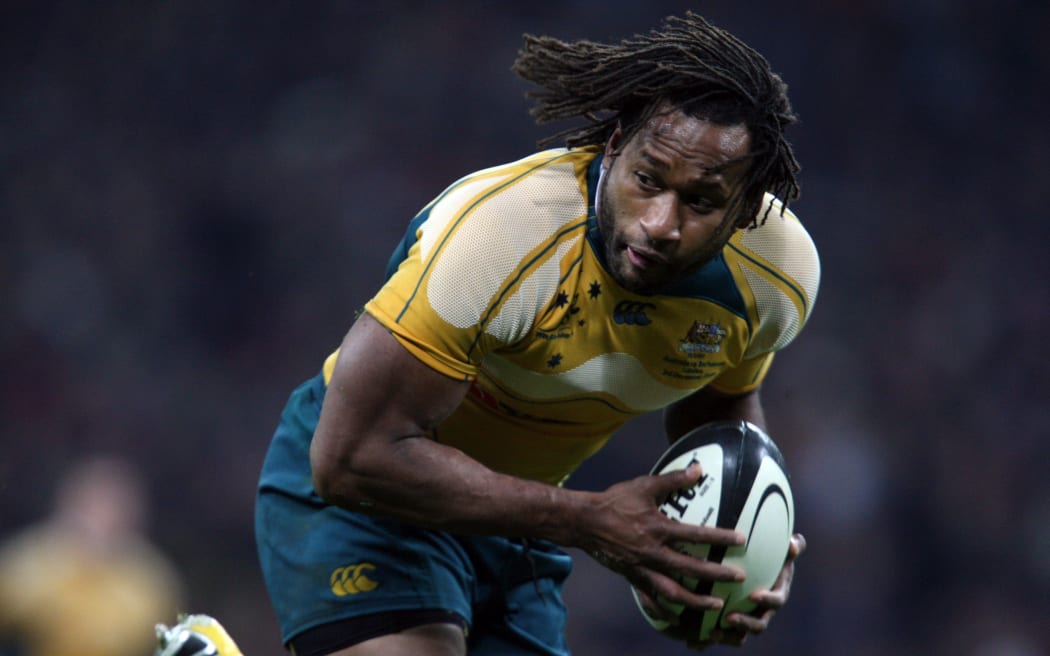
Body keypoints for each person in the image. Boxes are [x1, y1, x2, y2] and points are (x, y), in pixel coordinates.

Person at [255, 11, 819, 656]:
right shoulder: (502, 239)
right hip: (375, 494)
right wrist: (588, 520)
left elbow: (717, 410)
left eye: (700, 202)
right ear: (612, 148)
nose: (661, 223)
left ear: (746, 208)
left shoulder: (776, 280)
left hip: (519, 522)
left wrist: (743, 541)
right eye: (647, 180)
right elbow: (349, 459)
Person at [0, 456, 184, 656]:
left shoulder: (150, 581)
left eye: (112, 513)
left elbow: (165, 639)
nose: (98, 523)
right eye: (90, 509)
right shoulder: (31, 561)